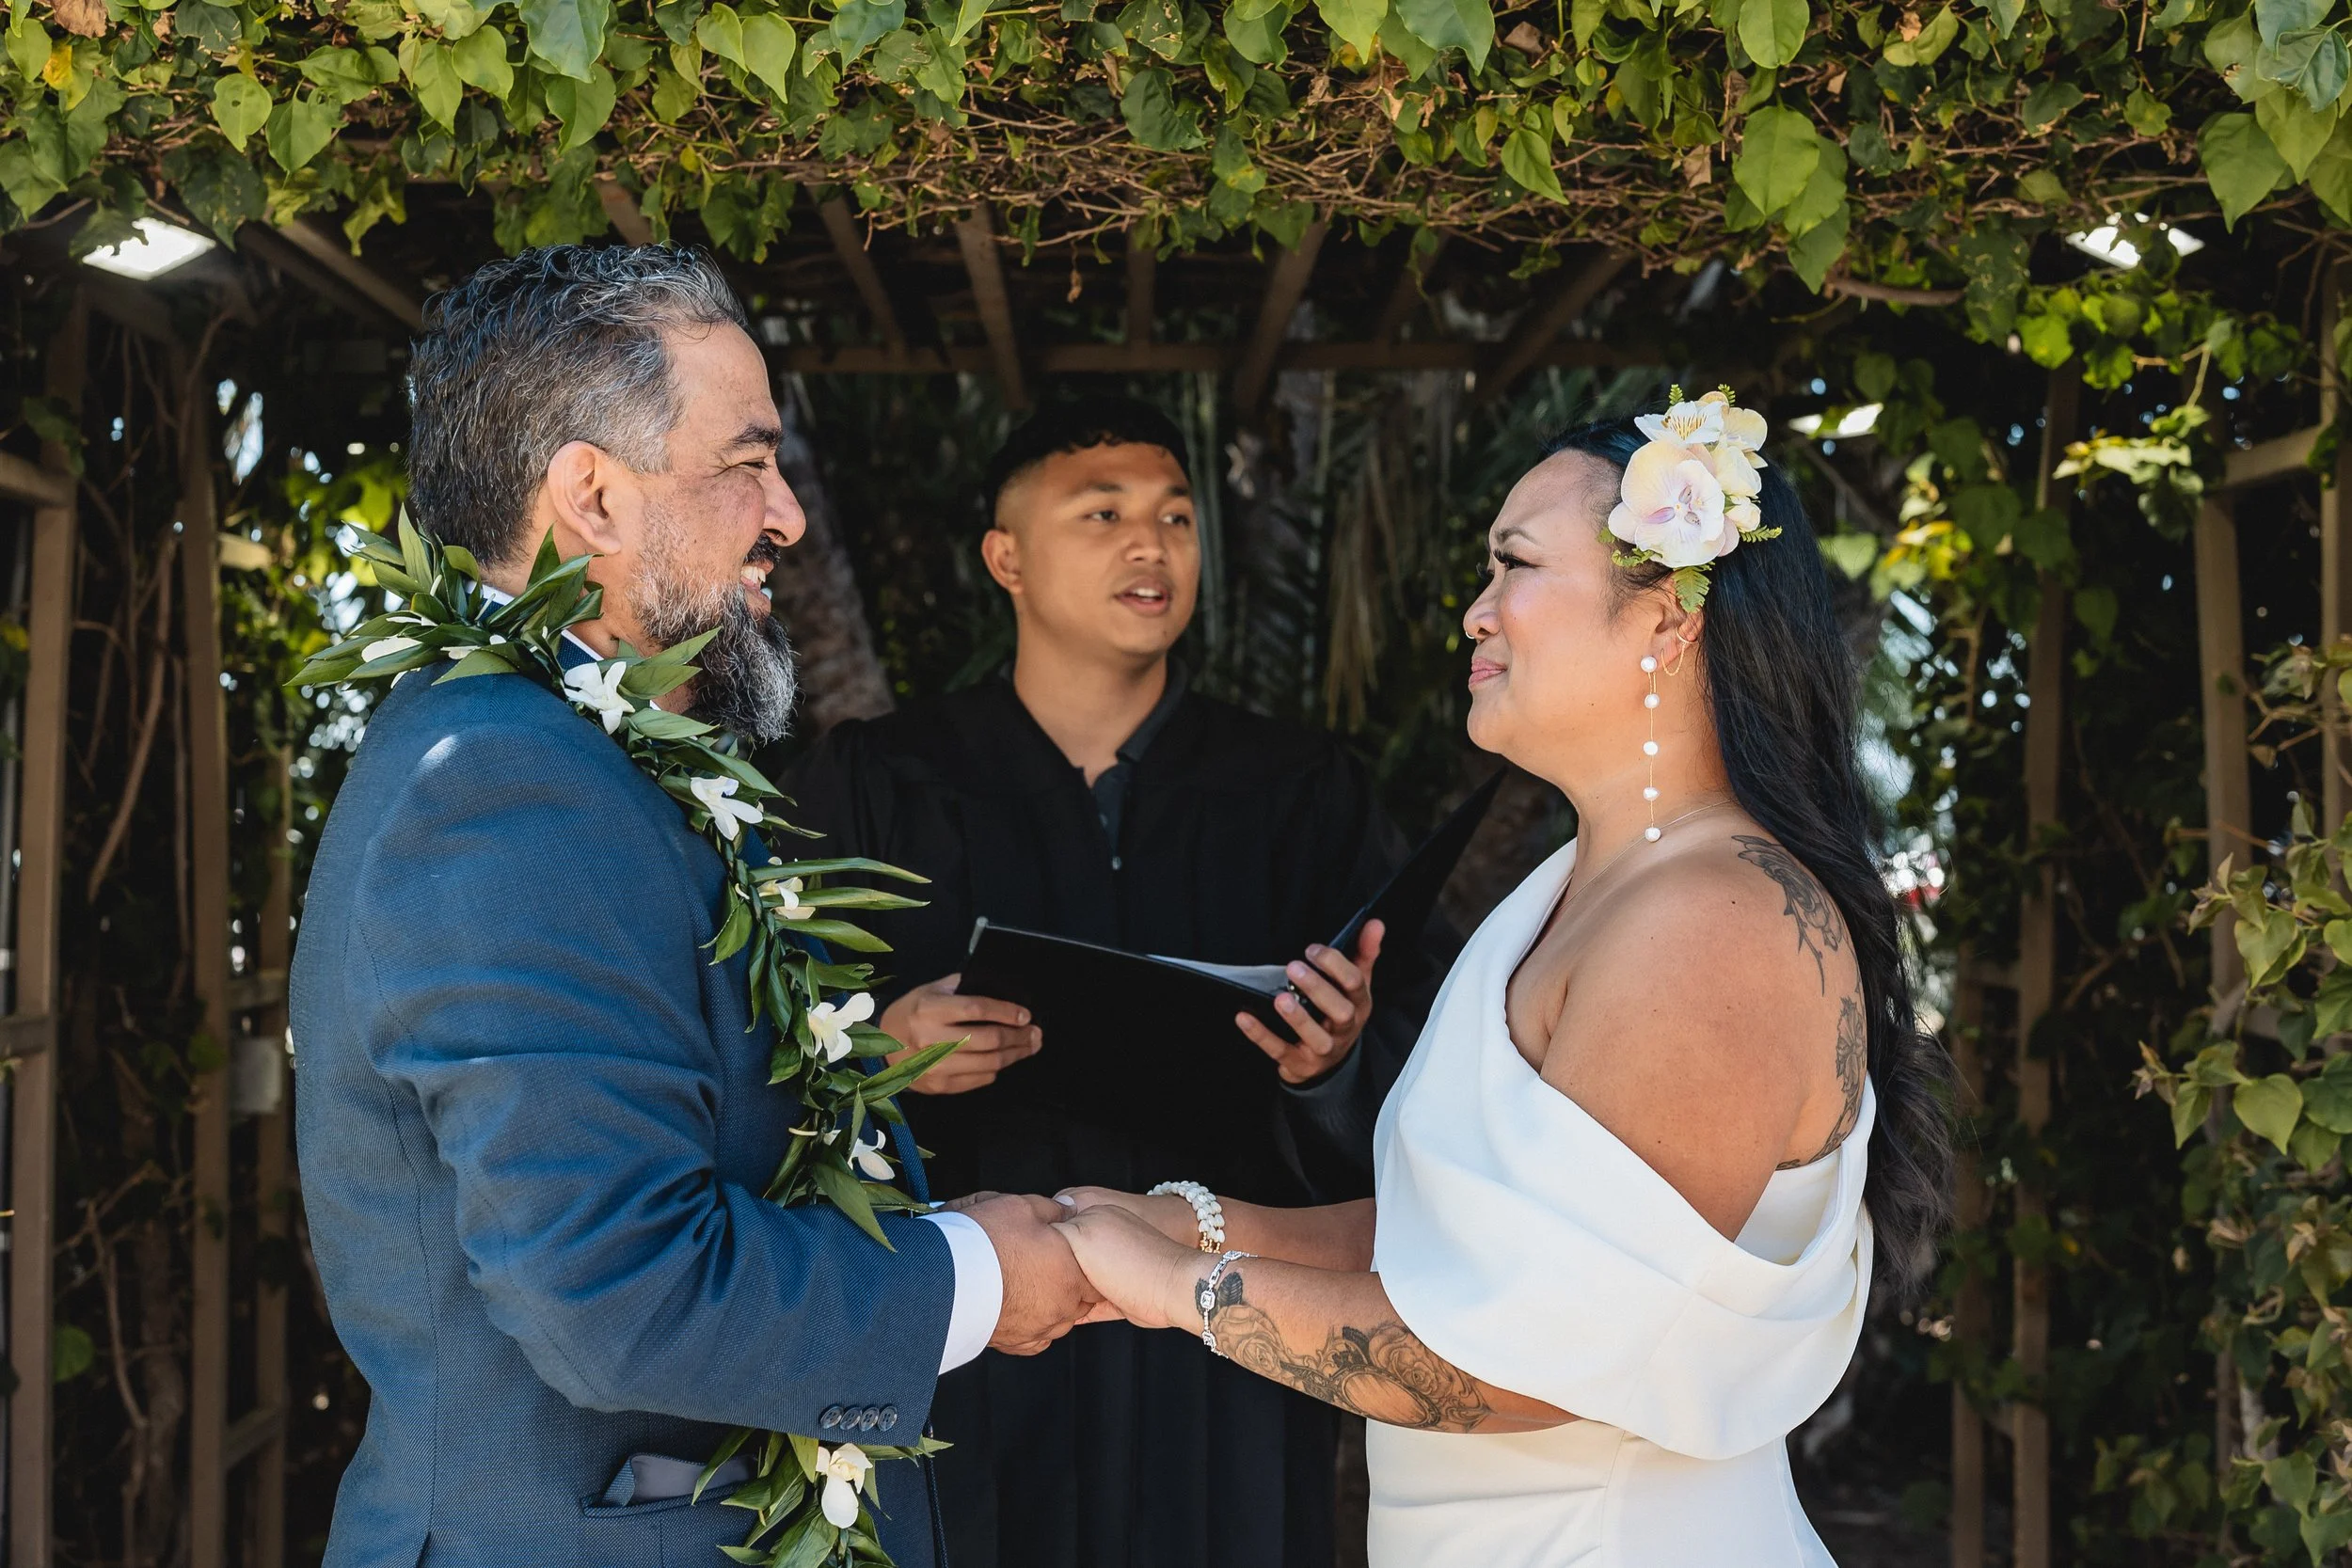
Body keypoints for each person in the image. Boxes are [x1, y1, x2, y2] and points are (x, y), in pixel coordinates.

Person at [288, 245, 1097, 1568]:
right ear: (592, 496)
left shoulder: (581, 753)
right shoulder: (502, 780)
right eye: (746, 463)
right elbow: (612, 1288)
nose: (785, 513)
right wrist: (982, 1275)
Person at [1048, 400, 1954, 1567]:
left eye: (1514, 564)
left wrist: (1184, 1285)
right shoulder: (1585, 883)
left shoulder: (1713, 923)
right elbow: (1470, 1241)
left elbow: (1535, 1348)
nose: (1475, 611)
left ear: (1669, 618)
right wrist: (1186, 1215)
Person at [782, 398, 1455, 1568]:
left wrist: (1331, 1064)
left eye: (1177, 517)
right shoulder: (880, 787)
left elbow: (1433, 1054)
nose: (1152, 545)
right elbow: (749, 1042)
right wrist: (878, 1049)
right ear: (1008, 558)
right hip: (977, 1326)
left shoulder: (1298, 794)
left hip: (1226, 1338)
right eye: (1103, 514)